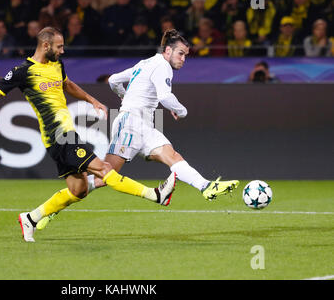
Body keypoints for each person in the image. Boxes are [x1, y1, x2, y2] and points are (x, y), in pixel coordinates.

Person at [0, 27, 176, 242]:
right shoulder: (23, 71)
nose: (62, 50)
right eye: (59, 46)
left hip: (66, 136)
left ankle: (31, 218)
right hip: (58, 137)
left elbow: (67, 84)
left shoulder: (56, 65)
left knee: (79, 190)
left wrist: (93, 100)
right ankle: (156, 195)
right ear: (45, 46)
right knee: (104, 169)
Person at [37, 29, 240, 230]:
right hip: (130, 124)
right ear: (168, 51)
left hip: (144, 125)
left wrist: (124, 97)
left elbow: (114, 80)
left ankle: (206, 187)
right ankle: (49, 210)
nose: (183, 59)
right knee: (104, 177)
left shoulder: (147, 62)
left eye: (186, 55)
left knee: (173, 156)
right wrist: (182, 110)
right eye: (180, 53)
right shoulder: (162, 66)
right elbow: (165, 97)